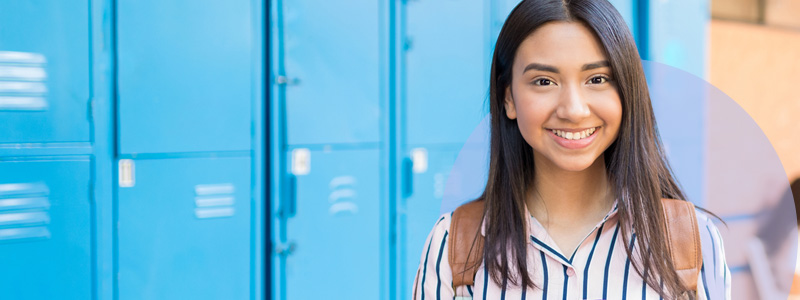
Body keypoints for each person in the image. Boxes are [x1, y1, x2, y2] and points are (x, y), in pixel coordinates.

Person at [411, 0, 731, 299]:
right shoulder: (454, 245)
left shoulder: (692, 242)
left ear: (626, 91)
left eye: (597, 79)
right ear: (508, 98)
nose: (574, 110)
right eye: (544, 82)